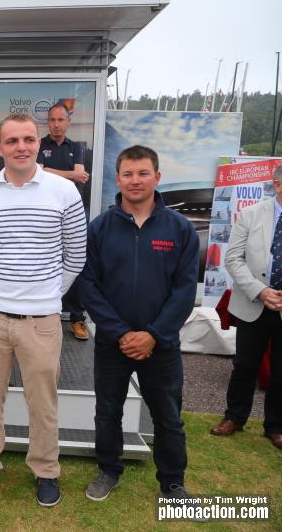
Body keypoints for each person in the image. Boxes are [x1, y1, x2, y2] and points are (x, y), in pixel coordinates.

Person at [0, 113, 86, 506]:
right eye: (12, 140)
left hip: (42, 321)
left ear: (39, 144)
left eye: (28, 139)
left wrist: (47, 295)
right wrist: (1, 292)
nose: (21, 147)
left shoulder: (64, 191)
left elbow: (76, 256)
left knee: (43, 404)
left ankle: (46, 471)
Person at [80, 145, 199, 502]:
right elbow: (89, 284)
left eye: (143, 173)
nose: (135, 181)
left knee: (168, 417)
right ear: (118, 179)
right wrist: (118, 333)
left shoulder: (180, 229)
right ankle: (108, 470)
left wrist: (153, 334)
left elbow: (185, 289)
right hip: (112, 344)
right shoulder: (99, 228)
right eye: (128, 174)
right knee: (107, 412)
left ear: (157, 178)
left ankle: (173, 482)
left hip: (160, 345)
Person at [210, 163, 282, 450]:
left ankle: (276, 426)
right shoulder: (251, 215)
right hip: (253, 302)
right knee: (245, 365)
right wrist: (261, 290)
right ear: (278, 185)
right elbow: (233, 259)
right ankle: (235, 417)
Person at [37, 103, 90, 341]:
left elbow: (82, 174)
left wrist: (49, 171)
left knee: (76, 263)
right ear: (47, 123)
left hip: (70, 211)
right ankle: (43, 312)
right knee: (44, 261)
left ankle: (77, 319)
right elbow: (37, 172)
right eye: (52, 120)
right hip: (43, 211)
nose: (57, 124)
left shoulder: (76, 146)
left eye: (61, 120)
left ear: (68, 122)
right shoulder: (39, 144)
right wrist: (69, 175)